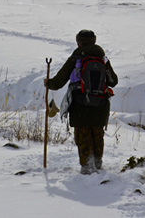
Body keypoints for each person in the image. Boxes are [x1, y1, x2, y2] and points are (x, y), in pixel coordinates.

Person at [44, 29, 117, 174]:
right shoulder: (102, 58)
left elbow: (59, 82)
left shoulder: (76, 57)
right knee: (97, 133)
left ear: (79, 42)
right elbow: (113, 81)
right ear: (94, 41)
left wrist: (49, 83)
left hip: (80, 103)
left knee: (82, 134)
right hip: (101, 103)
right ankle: (97, 163)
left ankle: (87, 166)